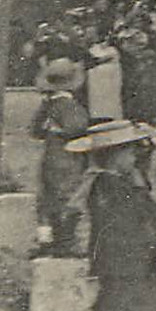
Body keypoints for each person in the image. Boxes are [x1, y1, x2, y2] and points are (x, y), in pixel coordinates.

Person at [65, 120, 156, 311]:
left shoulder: (117, 181)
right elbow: (126, 224)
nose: (135, 156)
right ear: (114, 155)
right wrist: (152, 242)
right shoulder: (108, 186)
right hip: (123, 258)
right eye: (130, 152)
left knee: (116, 305)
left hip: (123, 258)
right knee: (125, 307)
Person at [31, 58, 89, 255]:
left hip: (50, 155)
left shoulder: (46, 106)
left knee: (49, 197)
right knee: (69, 196)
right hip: (68, 156)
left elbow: (35, 131)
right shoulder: (70, 105)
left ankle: (49, 239)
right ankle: (66, 240)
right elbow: (77, 128)